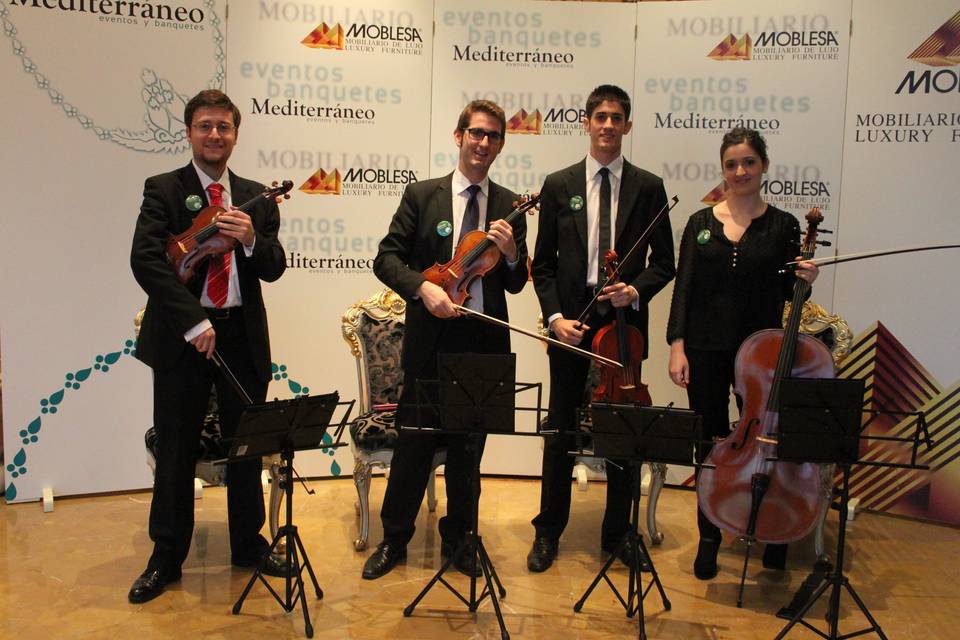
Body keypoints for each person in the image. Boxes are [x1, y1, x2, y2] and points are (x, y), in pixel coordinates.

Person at [128, 89, 288, 603]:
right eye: (205, 126)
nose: (215, 135)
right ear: (190, 131)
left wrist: (250, 240)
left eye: (224, 127)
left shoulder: (256, 197)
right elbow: (146, 261)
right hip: (183, 336)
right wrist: (193, 321)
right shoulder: (165, 189)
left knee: (247, 445)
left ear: (236, 135)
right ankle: (166, 555)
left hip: (242, 336)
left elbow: (274, 267)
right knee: (176, 446)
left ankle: (248, 544)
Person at [361, 100, 528, 580]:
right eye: (476, 133)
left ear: (499, 145)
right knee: (414, 448)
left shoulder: (512, 206)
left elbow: (514, 284)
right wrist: (422, 287)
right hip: (430, 339)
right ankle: (395, 540)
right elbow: (386, 258)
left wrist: (513, 255)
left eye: (493, 136)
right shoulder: (422, 195)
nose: (483, 142)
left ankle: (461, 541)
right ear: (459, 137)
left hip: (483, 342)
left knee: (468, 452)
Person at [527, 84, 676, 572]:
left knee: (622, 430)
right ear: (586, 122)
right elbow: (542, 264)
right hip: (572, 322)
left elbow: (665, 264)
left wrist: (634, 291)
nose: (608, 125)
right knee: (560, 428)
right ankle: (549, 529)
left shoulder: (650, 186)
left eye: (617, 117)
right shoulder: (558, 184)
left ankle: (619, 533)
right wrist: (553, 318)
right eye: (600, 117)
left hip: (623, 323)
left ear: (628, 126)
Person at [666, 127, 819, 580]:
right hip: (706, 349)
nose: (740, 171)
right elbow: (684, 290)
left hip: (763, 354)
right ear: (723, 169)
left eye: (749, 162)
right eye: (732, 164)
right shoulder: (698, 224)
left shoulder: (785, 226)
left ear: (764, 166)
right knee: (710, 445)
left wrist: (805, 282)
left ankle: (772, 532)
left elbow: (792, 299)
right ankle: (710, 536)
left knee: (769, 445)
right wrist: (678, 345)